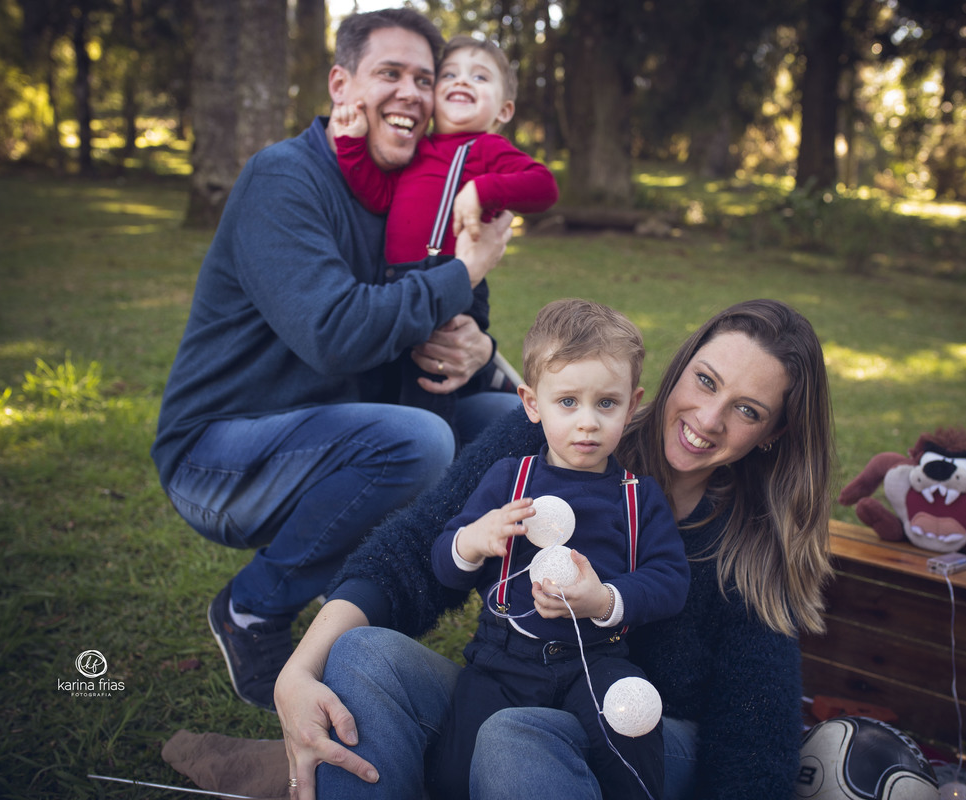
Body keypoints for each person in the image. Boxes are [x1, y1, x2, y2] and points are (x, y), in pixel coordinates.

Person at [275, 298, 836, 799]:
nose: (708, 420)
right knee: (361, 655)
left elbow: (754, 736)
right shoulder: (558, 428)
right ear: (679, 369)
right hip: (509, 678)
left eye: (748, 410)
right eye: (707, 381)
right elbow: (417, 548)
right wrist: (298, 671)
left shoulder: (754, 548)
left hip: (635, 737)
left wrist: (610, 598)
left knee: (513, 737)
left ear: (772, 433)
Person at [150, 8, 521, 712]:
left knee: (510, 424)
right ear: (341, 83)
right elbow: (335, 332)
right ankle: (253, 610)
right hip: (220, 454)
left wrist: (479, 346)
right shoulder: (284, 179)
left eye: (425, 78)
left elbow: (451, 319)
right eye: (390, 73)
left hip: (338, 433)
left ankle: (500, 637)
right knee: (416, 442)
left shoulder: (420, 192)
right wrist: (466, 268)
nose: (411, 93)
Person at [427, 299, 689, 800]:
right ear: (531, 403)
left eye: (605, 404)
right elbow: (445, 562)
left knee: (630, 733)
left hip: (595, 658)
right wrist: (473, 541)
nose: (587, 423)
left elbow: (670, 579)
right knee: (455, 771)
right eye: (567, 402)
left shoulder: (638, 498)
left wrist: (605, 600)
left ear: (631, 406)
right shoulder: (510, 479)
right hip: (502, 660)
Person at [333, 35, 559, 427]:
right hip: (398, 282)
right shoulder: (417, 149)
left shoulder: (489, 148)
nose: (462, 81)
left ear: (504, 109)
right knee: (391, 379)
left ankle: (436, 460)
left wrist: (483, 189)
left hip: (453, 280)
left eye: (480, 77)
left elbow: (544, 186)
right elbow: (378, 194)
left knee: (430, 381)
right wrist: (351, 146)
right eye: (450, 74)